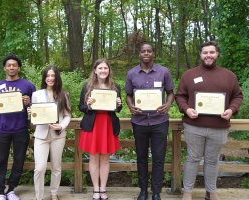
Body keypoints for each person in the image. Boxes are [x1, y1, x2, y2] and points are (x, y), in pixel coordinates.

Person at [175, 41, 243, 200]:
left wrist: (231, 110)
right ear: (200, 54)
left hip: (219, 127)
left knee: (212, 161)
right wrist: (186, 109)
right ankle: (187, 192)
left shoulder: (229, 75)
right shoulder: (189, 74)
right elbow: (180, 96)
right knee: (192, 159)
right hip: (194, 126)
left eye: (212, 52)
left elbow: (238, 96)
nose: (208, 55)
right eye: (205, 52)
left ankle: (211, 192)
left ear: (217, 54)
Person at [125, 43, 174, 200]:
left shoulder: (163, 72)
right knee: (141, 157)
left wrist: (167, 104)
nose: (146, 53)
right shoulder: (132, 73)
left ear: (153, 53)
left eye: (149, 51)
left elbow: (171, 93)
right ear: (139, 54)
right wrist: (131, 106)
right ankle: (143, 190)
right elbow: (128, 95)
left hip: (159, 121)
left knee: (159, 158)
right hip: (139, 122)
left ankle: (157, 192)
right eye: (143, 51)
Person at [0, 54, 36, 200]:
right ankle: (1, 191)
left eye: (14, 65)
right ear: (5, 68)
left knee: (19, 160)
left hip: (21, 129)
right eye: (8, 65)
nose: (11, 67)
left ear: (19, 68)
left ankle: (12, 189)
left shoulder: (28, 85)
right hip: (3, 129)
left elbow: (35, 109)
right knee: (0, 160)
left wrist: (29, 102)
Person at [78, 58, 122, 200]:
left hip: (108, 125)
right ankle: (95, 189)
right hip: (93, 125)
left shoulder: (115, 87)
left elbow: (118, 109)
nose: (103, 71)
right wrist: (88, 105)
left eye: (106, 68)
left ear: (109, 70)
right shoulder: (87, 87)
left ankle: (103, 188)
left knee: (105, 159)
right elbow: (81, 107)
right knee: (93, 158)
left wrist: (119, 103)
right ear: (95, 71)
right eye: (100, 68)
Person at [31, 65, 71, 200]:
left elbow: (67, 115)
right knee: (39, 168)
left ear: (57, 77)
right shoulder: (36, 94)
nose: (50, 78)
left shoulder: (63, 94)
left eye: (53, 75)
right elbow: (34, 118)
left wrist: (61, 125)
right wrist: (32, 113)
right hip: (41, 136)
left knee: (56, 167)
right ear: (44, 78)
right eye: (48, 76)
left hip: (58, 136)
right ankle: (39, 196)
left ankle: (54, 193)